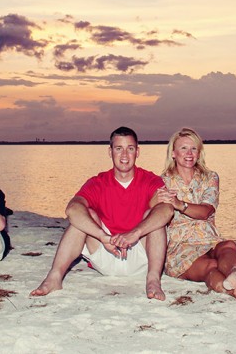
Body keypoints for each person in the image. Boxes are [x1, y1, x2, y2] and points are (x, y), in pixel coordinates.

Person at [30, 127, 173, 300]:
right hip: (106, 251)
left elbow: (167, 210)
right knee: (84, 215)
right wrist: (103, 236)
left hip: (140, 256)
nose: (125, 155)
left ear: (138, 152)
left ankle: (153, 280)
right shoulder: (98, 182)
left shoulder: (150, 180)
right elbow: (72, 209)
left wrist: (135, 233)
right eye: (118, 148)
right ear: (110, 151)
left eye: (130, 148)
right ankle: (54, 277)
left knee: (155, 216)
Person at [156, 128, 236, 301]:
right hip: (181, 246)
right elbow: (151, 210)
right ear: (173, 154)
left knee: (228, 245)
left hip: (209, 239)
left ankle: (235, 275)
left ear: (199, 153)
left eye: (194, 148)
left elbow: (206, 211)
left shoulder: (210, 177)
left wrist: (179, 204)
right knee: (211, 266)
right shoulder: (162, 181)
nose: (189, 153)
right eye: (183, 148)